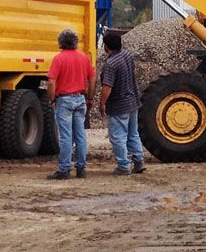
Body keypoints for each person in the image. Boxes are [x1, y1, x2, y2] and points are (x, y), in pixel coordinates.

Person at [47, 28, 96, 180]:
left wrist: (52, 99)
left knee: (66, 137)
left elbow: (51, 81)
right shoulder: (83, 58)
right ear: (75, 42)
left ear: (60, 42)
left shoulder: (58, 59)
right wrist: (90, 98)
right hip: (80, 98)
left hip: (64, 99)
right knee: (80, 135)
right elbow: (92, 79)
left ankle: (64, 169)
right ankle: (81, 168)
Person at [99, 31, 146, 175]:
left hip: (119, 105)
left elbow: (107, 87)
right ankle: (138, 161)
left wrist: (102, 104)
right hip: (133, 101)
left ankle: (123, 166)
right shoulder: (127, 55)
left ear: (106, 46)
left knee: (117, 136)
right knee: (132, 133)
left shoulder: (111, 63)